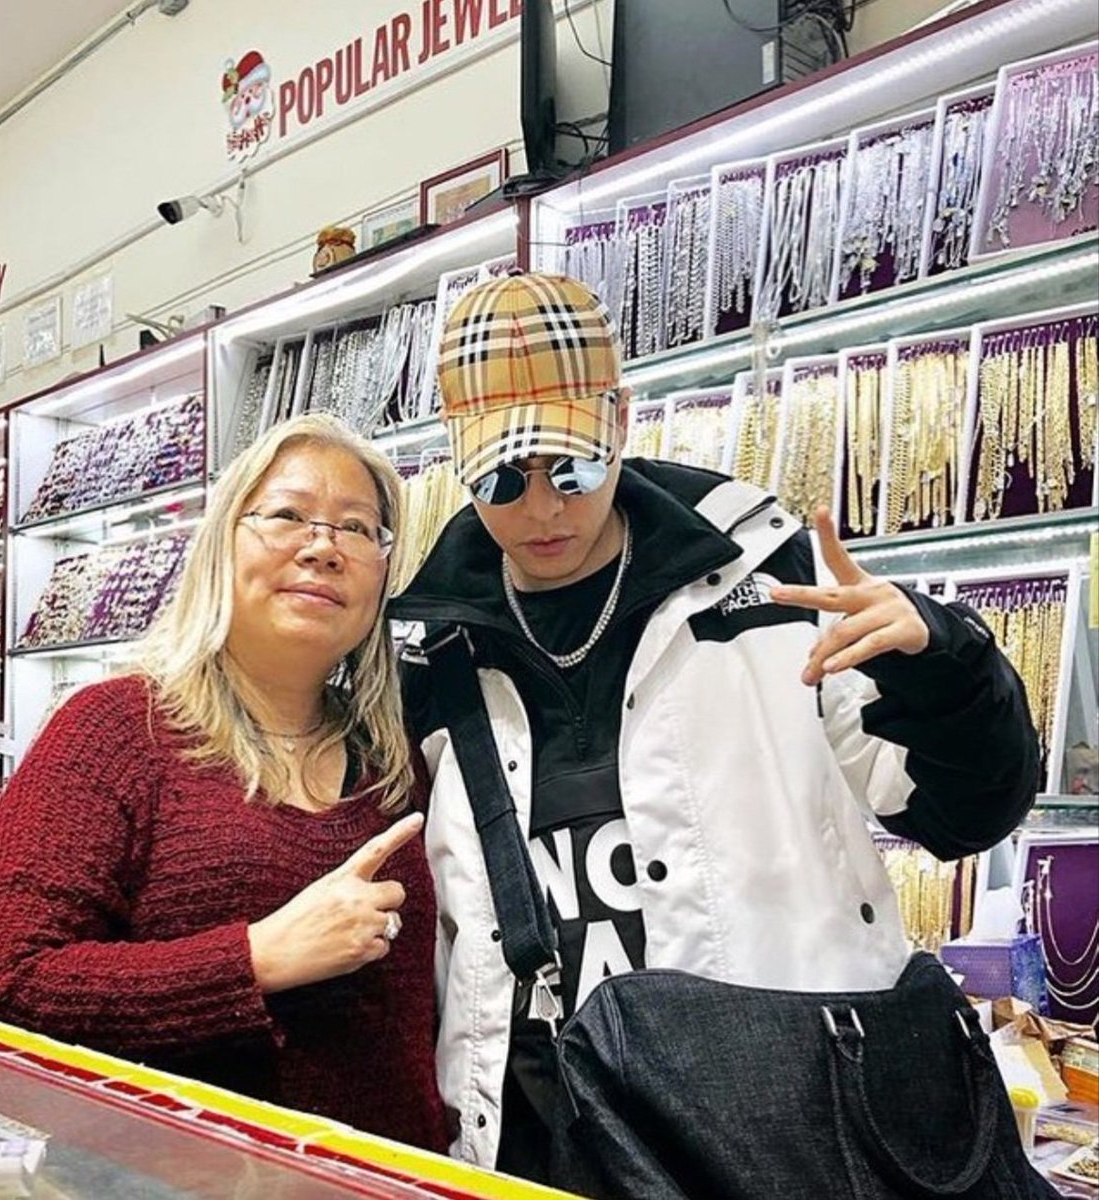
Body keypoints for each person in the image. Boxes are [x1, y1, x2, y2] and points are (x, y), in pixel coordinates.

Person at [390, 273, 1041, 1180]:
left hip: (771, 1118)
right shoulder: (431, 648)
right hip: (534, 1134)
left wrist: (944, 665)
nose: (541, 509)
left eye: (571, 468)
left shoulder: (769, 579)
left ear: (619, 421)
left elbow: (961, 814)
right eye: (501, 478)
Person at [0, 413, 446, 1153]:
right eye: (287, 515)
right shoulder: (114, 731)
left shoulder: (393, 758)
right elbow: (3, 987)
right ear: (222, 541)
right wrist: (254, 959)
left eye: (356, 528)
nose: (323, 547)